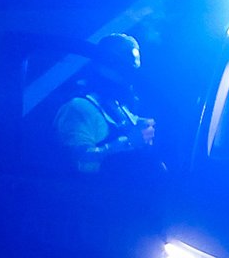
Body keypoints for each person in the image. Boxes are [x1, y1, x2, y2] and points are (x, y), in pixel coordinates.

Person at [53, 33, 155, 175]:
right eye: (124, 69)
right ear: (103, 65)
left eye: (133, 70)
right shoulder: (78, 107)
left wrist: (140, 127)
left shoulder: (117, 105)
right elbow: (76, 165)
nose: (130, 78)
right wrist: (126, 143)